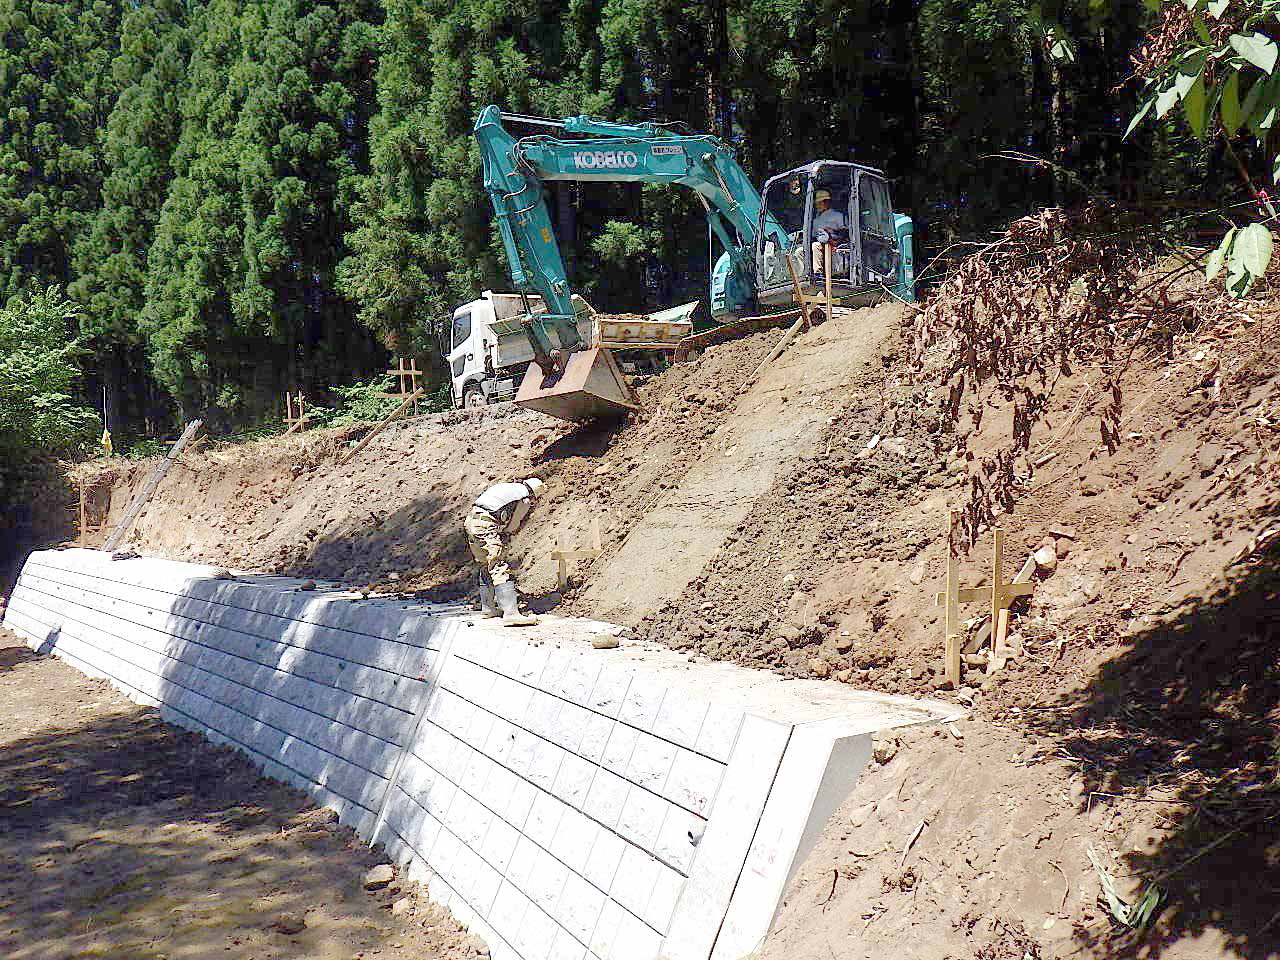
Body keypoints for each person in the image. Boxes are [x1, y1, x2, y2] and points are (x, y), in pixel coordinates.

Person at [465, 477, 545, 625]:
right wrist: (507, 534)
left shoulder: (510, 487)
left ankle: (488, 608)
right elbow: (513, 525)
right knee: (498, 565)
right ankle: (511, 613)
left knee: (485, 564)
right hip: (485, 525)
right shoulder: (524, 498)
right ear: (534, 494)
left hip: (471, 521)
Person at [811, 189, 847, 278]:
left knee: (815, 245)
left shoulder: (837, 216)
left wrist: (832, 234)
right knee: (800, 251)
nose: (818, 205)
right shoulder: (816, 221)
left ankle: (818, 273)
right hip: (820, 245)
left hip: (833, 246)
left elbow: (845, 233)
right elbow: (813, 236)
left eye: (820, 202)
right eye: (817, 203)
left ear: (826, 202)